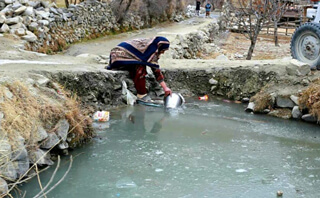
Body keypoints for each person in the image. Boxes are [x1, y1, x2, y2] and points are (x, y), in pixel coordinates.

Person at [107, 36, 172, 102]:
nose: (163, 52)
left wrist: (165, 88)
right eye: (163, 50)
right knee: (141, 67)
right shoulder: (151, 50)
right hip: (118, 56)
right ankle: (141, 94)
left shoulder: (149, 45)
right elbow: (156, 71)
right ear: (159, 47)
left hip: (115, 56)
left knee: (136, 65)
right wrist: (165, 88)